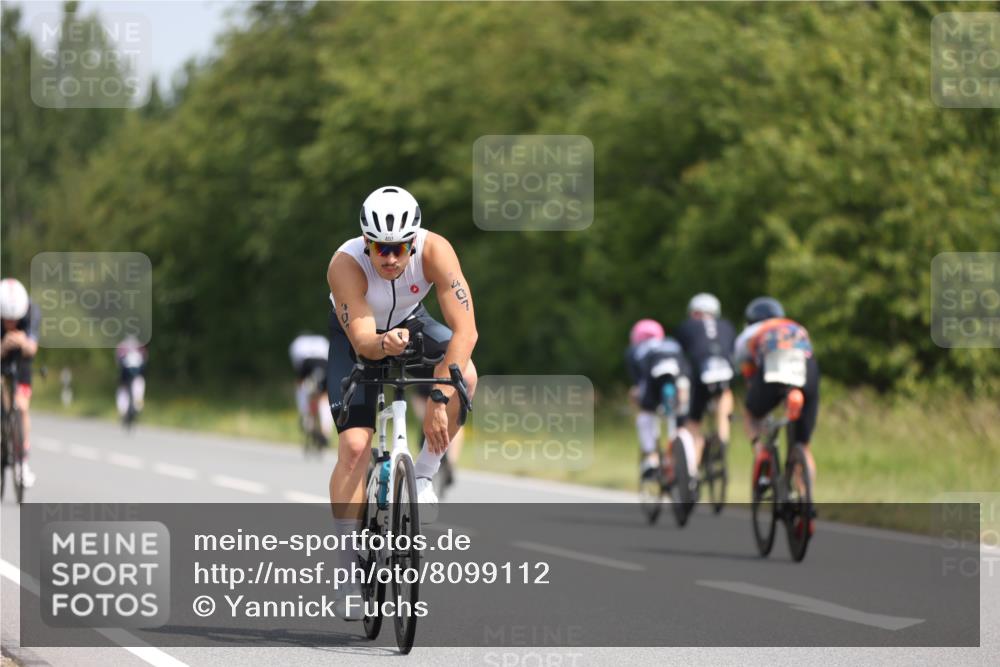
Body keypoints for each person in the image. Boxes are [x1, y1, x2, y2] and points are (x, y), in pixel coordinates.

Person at [326, 185, 478, 619]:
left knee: (466, 374)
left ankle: (425, 473)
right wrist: (382, 344)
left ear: (412, 241)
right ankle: (347, 570)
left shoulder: (435, 251)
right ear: (366, 242)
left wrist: (438, 397)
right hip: (358, 337)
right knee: (355, 446)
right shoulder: (345, 264)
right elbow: (363, 340)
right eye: (380, 248)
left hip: (412, 321)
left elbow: (466, 331)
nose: (390, 259)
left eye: (399, 248)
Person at [733, 296, 820, 496]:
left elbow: (746, 370)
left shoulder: (748, 334)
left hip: (773, 364)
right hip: (808, 368)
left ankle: (761, 453)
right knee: (803, 445)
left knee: (751, 414)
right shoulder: (796, 327)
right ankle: (807, 498)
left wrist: (756, 400)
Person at [626, 319, 695, 478]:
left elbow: (639, 382)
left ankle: (652, 457)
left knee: (646, 414)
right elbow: (686, 367)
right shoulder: (672, 343)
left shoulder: (636, 349)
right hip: (680, 378)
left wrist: (638, 399)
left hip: (653, 379)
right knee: (681, 421)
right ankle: (690, 465)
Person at [674, 293, 736, 468]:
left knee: (693, 422)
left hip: (700, 374)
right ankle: (723, 436)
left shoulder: (686, 326)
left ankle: (692, 467)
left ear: (693, 312)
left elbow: (680, 356)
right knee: (725, 393)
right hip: (725, 371)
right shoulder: (727, 325)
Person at [0, 278, 39, 488]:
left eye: (15, 320)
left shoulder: (32, 311)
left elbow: (32, 348)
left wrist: (24, 343)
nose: (12, 324)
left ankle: (22, 462)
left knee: (22, 407)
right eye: (7, 320)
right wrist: (3, 347)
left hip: (21, 359)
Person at [288, 332, 333, 442]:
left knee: (302, 390)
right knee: (325, 398)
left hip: (308, 366)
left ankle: (305, 418)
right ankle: (326, 431)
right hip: (325, 365)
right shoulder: (322, 343)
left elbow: (299, 381)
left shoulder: (300, 351)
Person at [115, 334, 148, 419]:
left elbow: (118, 360)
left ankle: (126, 409)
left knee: (127, 388)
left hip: (130, 374)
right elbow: (145, 359)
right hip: (131, 374)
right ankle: (135, 405)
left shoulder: (122, 346)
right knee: (136, 385)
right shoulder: (139, 347)